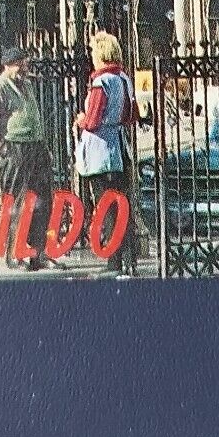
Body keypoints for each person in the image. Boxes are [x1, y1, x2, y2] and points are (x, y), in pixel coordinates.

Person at [0, 47, 53, 271]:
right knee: (18, 204)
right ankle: (14, 254)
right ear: (7, 65)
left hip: (35, 148)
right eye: (20, 64)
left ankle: (39, 253)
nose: (24, 69)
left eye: (25, 63)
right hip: (14, 150)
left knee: (42, 202)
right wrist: (1, 149)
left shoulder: (27, 85)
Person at [74, 30, 137, 275]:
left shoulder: (101, 82)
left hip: (101, 152)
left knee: (106, 207)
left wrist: (81, 120)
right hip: (120, 148)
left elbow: (92, 121)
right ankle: (128, 258)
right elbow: (132, 114)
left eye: (93, 51)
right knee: (122, 206)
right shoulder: (124, 78)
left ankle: (114, 261)